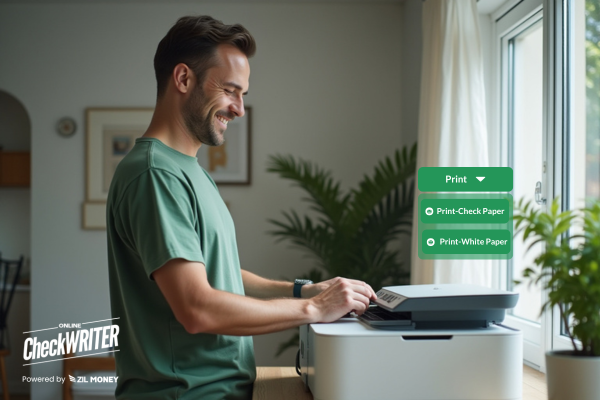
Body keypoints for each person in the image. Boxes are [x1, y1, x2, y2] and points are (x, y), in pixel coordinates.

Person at [106, 15, 377, 400]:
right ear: (183, 79)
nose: (239, 109)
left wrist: (303, 291)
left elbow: (220, 274)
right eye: (231, 90)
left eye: (243, 94)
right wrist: (315, 309)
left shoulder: (189, 171)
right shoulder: (155, 175)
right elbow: (197, 307)